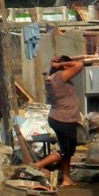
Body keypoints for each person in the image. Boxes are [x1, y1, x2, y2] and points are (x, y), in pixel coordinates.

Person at [34, 55, 85, 187]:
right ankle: (37, 166)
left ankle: (66, 179)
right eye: (67, 65)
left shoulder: (50, 76)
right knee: (66, 151)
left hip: (59, 118)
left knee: (66, 150)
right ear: (63, 67)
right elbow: (79, 65)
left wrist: (57, 64)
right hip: (64, 119)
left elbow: (74, 64)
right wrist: (62, 64)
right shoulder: (59, 77)